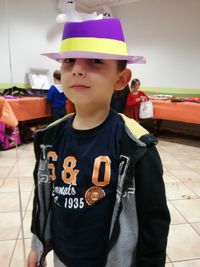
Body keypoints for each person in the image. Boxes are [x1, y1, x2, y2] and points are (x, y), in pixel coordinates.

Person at [27, 18, 170, 267]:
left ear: (121, 79)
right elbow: (44, 198)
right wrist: (37, 244)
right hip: (63, 256)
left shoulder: (136, 145)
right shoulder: (48, 137)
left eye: (95, 61)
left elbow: (154, 221)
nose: (78, 70)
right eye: (69, 60)